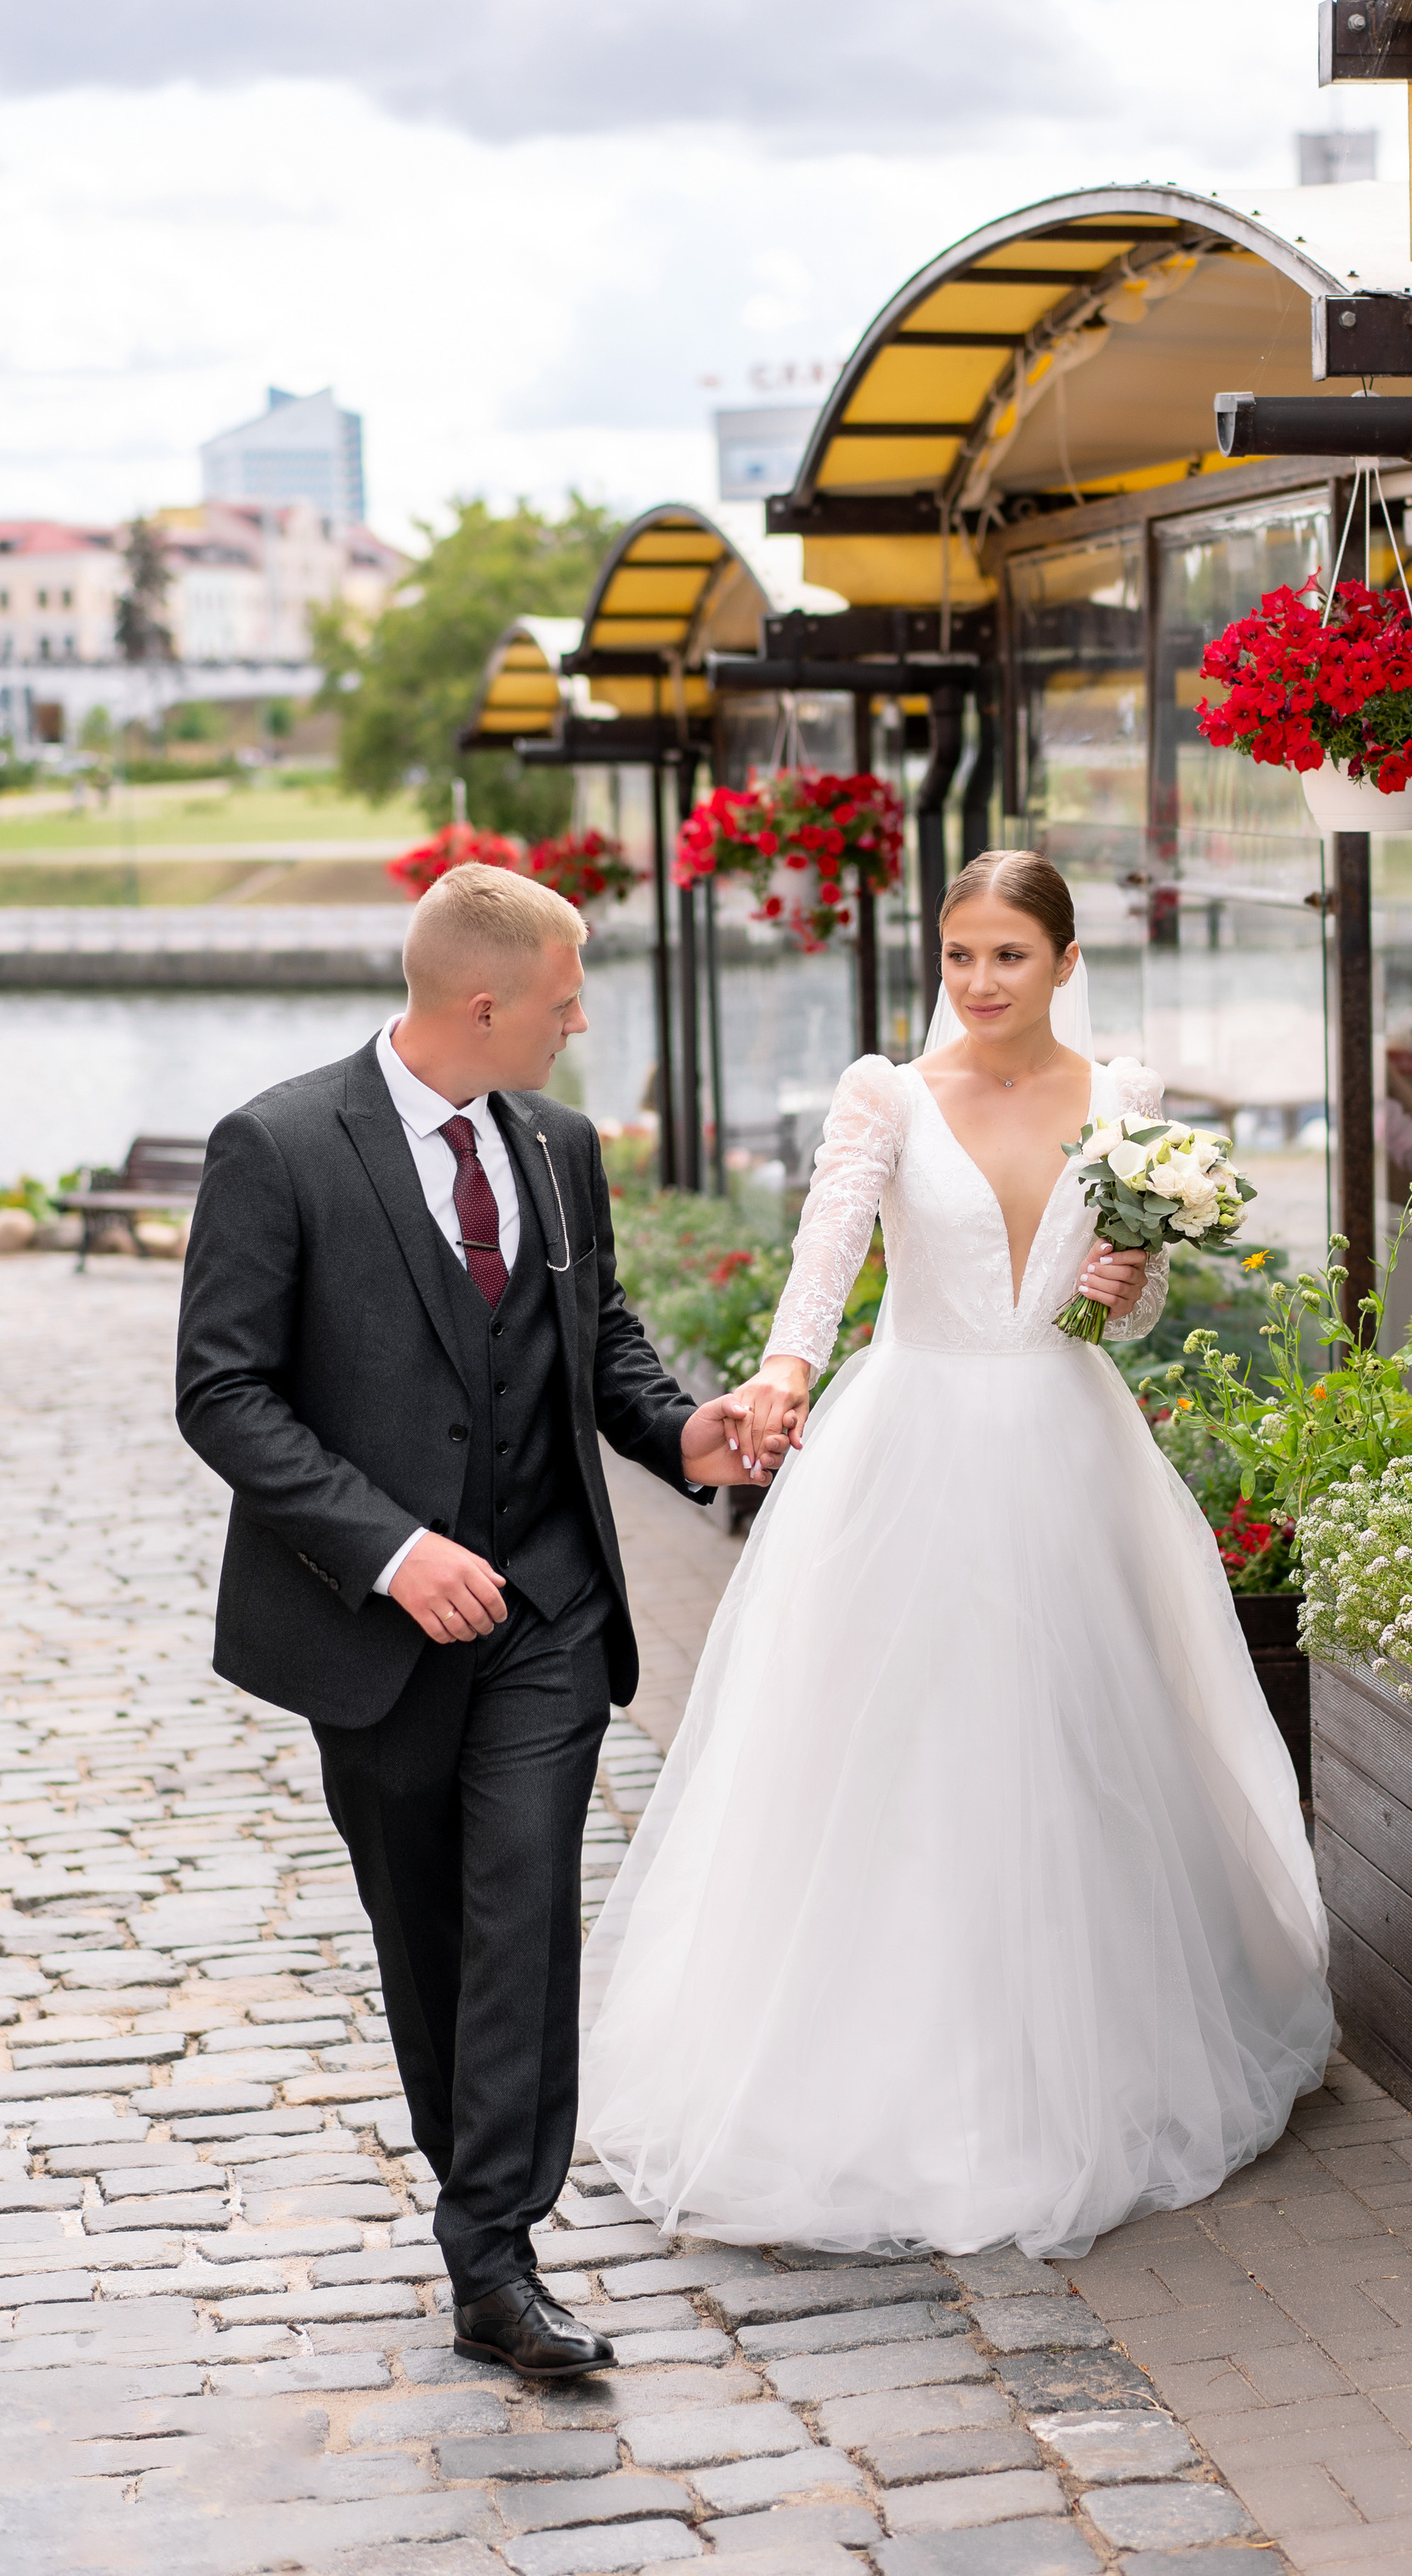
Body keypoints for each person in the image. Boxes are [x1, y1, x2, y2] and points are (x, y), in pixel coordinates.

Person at [580, 849, 1333, 2258]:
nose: (980, 984)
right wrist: (784, 1378)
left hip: (1066, 1442)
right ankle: (887, 2067)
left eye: (1009, 957)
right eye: (960, 955)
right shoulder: (887, 1095)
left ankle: (1081, 2064)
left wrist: (1130, 1280)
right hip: (912, 1439)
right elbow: (823, 1262)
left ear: (1063, 963)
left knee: (1069, 1742)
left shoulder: (1126, 1103)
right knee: (908, 1746)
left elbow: (1137, 1301)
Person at [175, 864, 781, 2380]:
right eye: (569, 1001)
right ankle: (481, 2201)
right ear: (486, 1004)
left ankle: (495, 2253)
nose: (582, 1027)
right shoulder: (281, 1145)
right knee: (428, 1928)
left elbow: (601, 1346)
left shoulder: (563, 1150)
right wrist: (387, 1552)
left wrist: (683, 1434)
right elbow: (222, 1392)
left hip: (551, 1613)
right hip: (375, 1632)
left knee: (521, 1911)